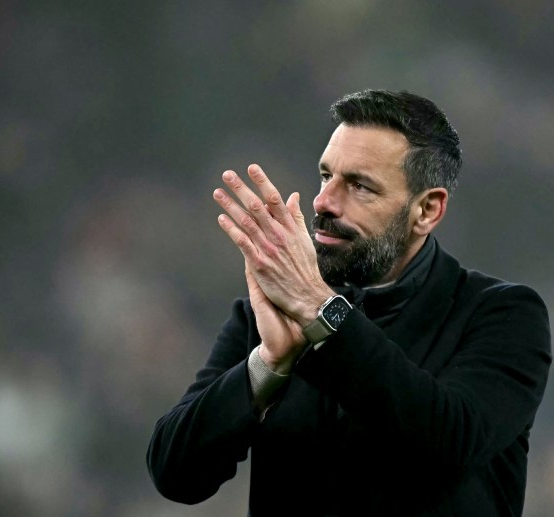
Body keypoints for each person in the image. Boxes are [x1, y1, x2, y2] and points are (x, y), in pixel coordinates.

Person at [146, 89, 551, 516]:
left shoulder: (503, 316)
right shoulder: (267, 317)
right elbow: (175, 474)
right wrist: (268, 365)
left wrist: (322, 313)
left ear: (427, 210)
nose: (323, 201)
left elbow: (450, 441)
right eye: (326, 176)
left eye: (359, 186)